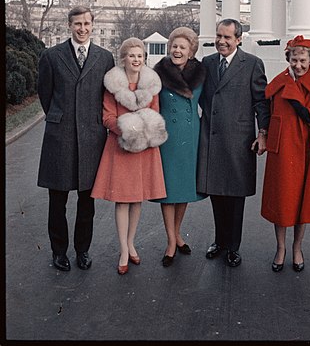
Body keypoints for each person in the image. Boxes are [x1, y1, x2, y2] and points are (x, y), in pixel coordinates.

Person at [37, 5, 115, 272]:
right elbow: (45, 94)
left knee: (87, 200)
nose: (82, 29)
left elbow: (108, 96)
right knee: (57, 199)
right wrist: (61, 117)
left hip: (92, 138)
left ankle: (83, 250)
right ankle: (59, 251)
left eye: (86, 24)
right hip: (60, 136)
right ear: (69, 25)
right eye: (77, 24)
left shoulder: (105, 58)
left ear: (93, 25)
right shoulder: (51, 56)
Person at [197, 19, 270, 267]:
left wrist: (263, 134)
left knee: (235, 196)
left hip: (239, 140)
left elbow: (261, 102)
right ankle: (219, 241)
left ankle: (233, 247)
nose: (221, 41)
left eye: (227, 37)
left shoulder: (251, 64)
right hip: (212, 136)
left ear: (239, 39)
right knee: (216, 193)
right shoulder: (207, 63)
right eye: (219, 36)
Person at [91, 38, 168, 274]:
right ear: (123, 58)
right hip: (122, 146)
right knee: (123, 200)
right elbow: (107, 118)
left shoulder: (152, 85)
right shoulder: (113, 85)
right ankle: (123, 249)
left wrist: (144, 132)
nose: (136, 60)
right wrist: (129, 129)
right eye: (132, 55)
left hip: (145, 148)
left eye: (140, 56)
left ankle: (132, 242)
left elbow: (155, 112)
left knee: (137, 198)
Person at [260, 36, 310, 272]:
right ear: (288, 58)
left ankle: (297, 247)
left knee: (302, 201)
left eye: (303, 60)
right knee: (282, 200)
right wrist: (262, 135)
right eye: (294, 59)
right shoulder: (279, 82)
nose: (298, 65)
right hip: (282, 148)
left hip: (307, 149)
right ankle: (280, 248)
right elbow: (267, 114)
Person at [152, 27, 206, 267]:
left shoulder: (201, 74)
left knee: (184, 188)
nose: (177, 50)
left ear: (191, 51)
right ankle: (171, 241)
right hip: (168, 136)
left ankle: (178, 234)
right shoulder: (158, 73)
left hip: (190, 134)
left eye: (183, 47)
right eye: (174, 46)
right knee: (168, 191)